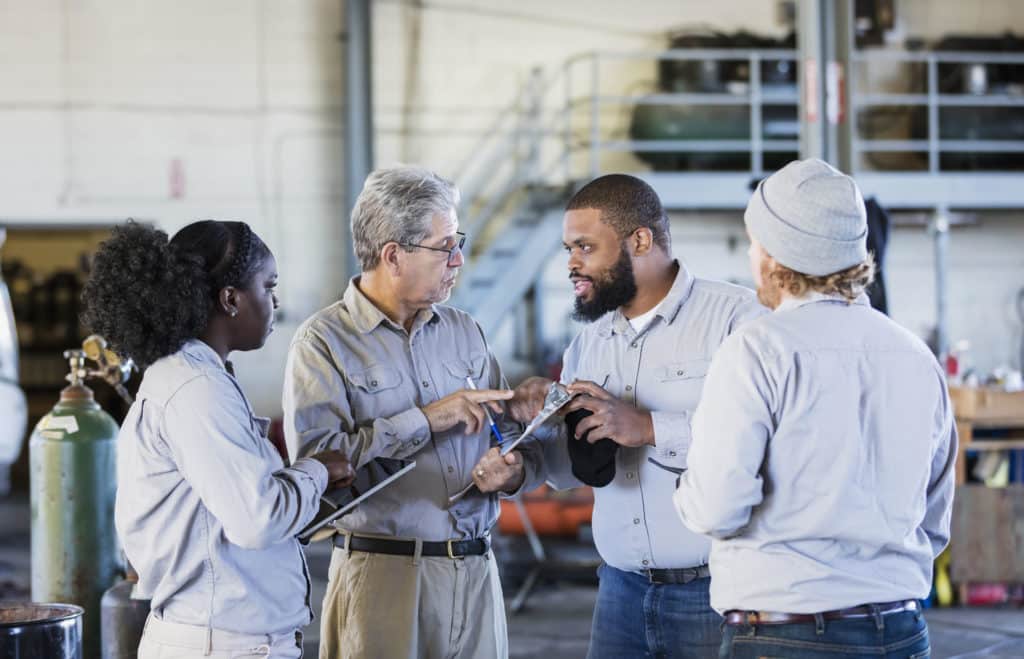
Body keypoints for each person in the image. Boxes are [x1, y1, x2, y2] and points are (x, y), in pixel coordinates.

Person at [674, 158, 957, 658]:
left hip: (785, 633)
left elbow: (718, 508)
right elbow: (933, 522)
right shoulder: (916, 355)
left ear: (776, 254)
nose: (751, 255)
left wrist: (685, 487)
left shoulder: (756, 349)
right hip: (900, 632)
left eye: (755, 241)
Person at [283, 165, 542, 659]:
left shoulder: (464, 330)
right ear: (393, 255)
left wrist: (515, 454)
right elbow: (320, 472)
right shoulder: (324, 343)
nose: (459, 259)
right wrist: (426, 419)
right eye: (445, 246)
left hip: (476, 574)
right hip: (383, 582)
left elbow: (503, 437)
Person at [509, 174, 766, 659]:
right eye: (568, 249)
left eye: (585, 247)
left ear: (640, 240)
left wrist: (648, 427)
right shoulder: (588, 342)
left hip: (714, 594)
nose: (572, 265)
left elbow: (762, 442)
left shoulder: (738, 321)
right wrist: (521, 465)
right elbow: (570, 467)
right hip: (619, 594)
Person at [83, 220, 355, 659]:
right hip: (219, 645)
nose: (276, 301)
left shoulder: (199, 376)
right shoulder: (195, 388)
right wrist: (317, 471)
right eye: (268, 287)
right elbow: (257, 518)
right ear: (230, 299)